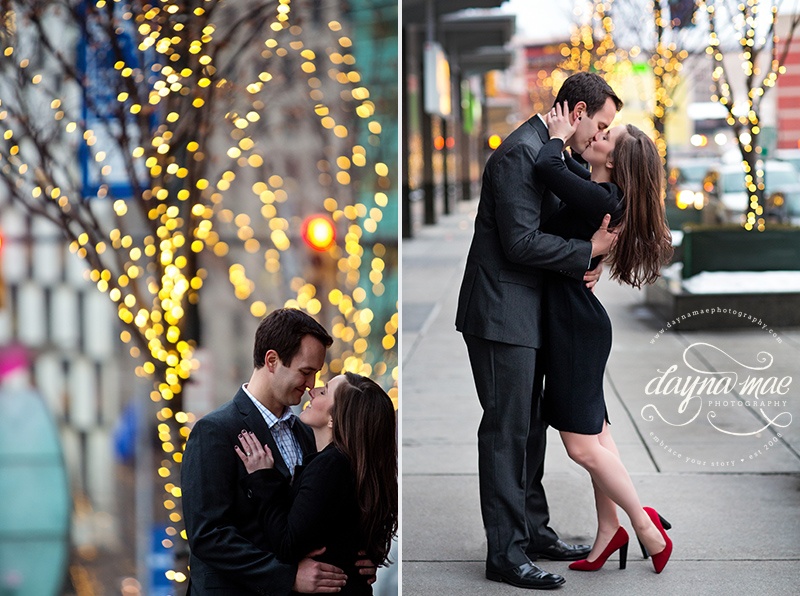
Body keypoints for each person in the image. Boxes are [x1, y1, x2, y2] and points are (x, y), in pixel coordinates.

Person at [455, 71, 621, 590]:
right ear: (575, 112)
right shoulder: (517, 155)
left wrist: (582, 263)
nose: (599, 137)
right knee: (506, 432)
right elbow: (522, 243)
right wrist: (587, 252)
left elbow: (555, 224)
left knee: (529, 427)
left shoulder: (550, 153)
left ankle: (533, 530)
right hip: (500, 311)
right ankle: (505, 553)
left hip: (526, 310)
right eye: (598, 125)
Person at [533, 101, 674, 573]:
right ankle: (608, 529)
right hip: (578, 322)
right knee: (598, 437)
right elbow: (566, 179)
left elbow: (548, 166)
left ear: (614, 161)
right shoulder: (595, 190)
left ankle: (645, 525)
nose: (597, 135)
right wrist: (589, 260)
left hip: (576, 328)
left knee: (580, 446)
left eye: (606, 136)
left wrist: (556, 132)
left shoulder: (603, 196)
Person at [182, 308, 376, 594]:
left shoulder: (308, 433)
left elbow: (314, 518)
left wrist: (356, 557)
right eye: (306, 372)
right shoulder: (215, 431)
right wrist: (286, 577)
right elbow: (209, 535)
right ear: (272, 360)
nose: (311, 385)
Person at [234, 372, 398, 595]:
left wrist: (263, 478)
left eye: (324, 391)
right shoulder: (350, 464)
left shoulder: (331, 466)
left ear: (335, 417)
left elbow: (286, 543)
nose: (312, 390)